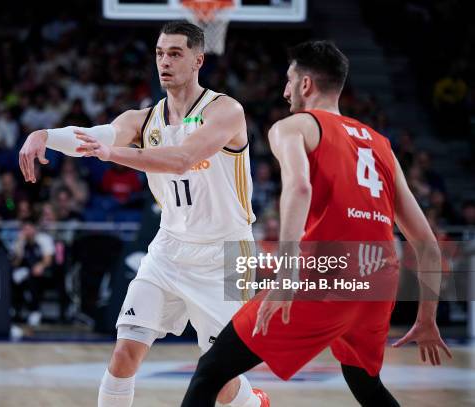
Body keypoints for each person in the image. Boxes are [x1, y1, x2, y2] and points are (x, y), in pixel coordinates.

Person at [181, 40, 452, 407]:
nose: (285, 90)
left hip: (327, 273)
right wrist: (427, 318)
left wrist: (287, 273)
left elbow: (299, 186)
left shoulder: (293, 127)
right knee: (365, 384)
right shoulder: (382, 145)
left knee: (211, 372)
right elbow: (426, 243)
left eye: (289, 81)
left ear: (306, 84)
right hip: (379, 282)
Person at [19, 21, 268, 407]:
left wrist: (113, 154)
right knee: (124, 354)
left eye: (175, 53)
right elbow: (95, 136)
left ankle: (253, 403)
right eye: (159, 53)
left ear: (198, 59)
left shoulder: (225, 111)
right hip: (169, 248)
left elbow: (183, 158)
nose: (164, 61)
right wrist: (46, 136)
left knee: (220, 379)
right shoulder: (142, 120)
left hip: (227, 252)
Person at [11, 217, 55, 326]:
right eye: (24, 229)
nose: (27, 231)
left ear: (35, 228)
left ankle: (35, 311)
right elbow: (16, 263)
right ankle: (15, 310)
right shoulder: (20, 241)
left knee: (32, 279)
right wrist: (20, 244)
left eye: (29, 228)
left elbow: (48, 260)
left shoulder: (44, 239)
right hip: (24, 271)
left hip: (44, 271)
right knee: (13, 278)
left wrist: (40, 266)